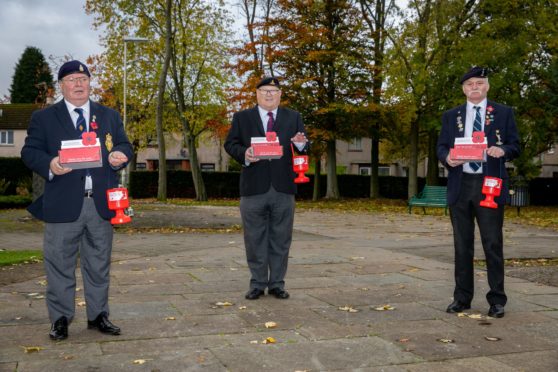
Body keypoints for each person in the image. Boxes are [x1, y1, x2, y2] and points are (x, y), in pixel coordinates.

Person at [21, 60, 133, 340]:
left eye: (83, 79)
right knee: (59, 264)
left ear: (89, 83)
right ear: (61, 86)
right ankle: (60, 319)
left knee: (99, 263)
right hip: (62, 205)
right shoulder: (44, 118)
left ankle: (98, 316)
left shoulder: (108, 115)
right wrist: (51, 163)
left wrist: (121, 155)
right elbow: (29, 151)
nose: (79, 84)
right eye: (71, 79)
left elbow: (123, 143)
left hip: (100, 204)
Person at [437, 66, 520, 318]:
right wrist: (447, 158)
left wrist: (503, 150)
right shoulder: (451, 116)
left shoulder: (504, 113)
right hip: (461, 185)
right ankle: (462, 298)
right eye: (470, 83)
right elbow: (441, 146)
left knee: (492, 243)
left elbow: (515, 145)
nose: (474, 87)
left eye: (479, 83)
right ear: (463, 88)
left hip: (489, 184)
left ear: (487, 86)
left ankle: (497, 300)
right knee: (462, 245)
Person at [224, 77, 308, 300]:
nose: (269, 94)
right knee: (254, 239)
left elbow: (302, 146)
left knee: (281, 238)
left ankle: (277, 284)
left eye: (273, 91)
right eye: (264, 90)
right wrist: (245, 154)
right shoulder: (242, 118)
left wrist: (300, 143)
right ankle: (258, 284)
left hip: (283, 188)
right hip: (253, 188)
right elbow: (230, 144)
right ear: (257, 94)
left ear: (280, 94)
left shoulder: (293, 116)